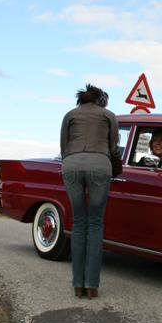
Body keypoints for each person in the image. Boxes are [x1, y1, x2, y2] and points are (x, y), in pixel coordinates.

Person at [60, 83, 118, 299]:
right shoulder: (109, 115)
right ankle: (91, 286)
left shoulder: (70, 115)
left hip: (72, 165)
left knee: (78, 222)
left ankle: (77, 285)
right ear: (100, 100)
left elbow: (63, 146)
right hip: (99, 165)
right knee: (95, 223)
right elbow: (113, 148)